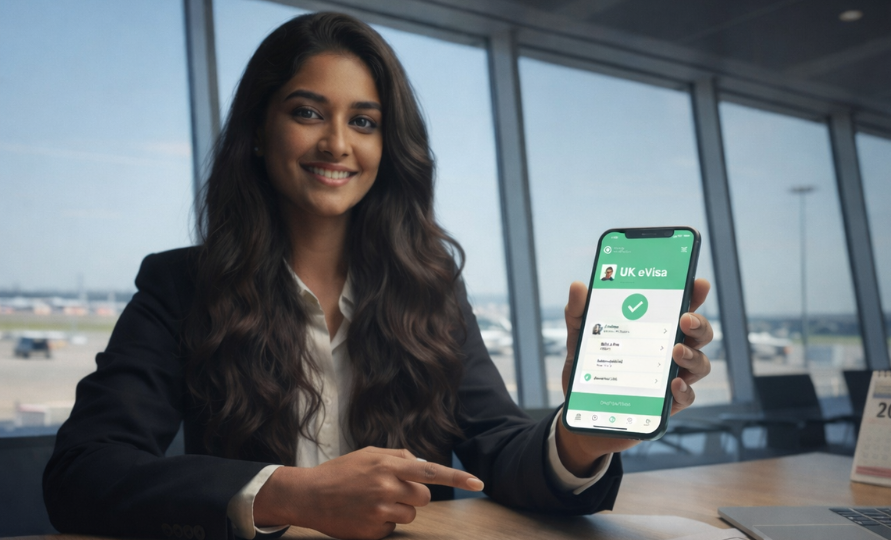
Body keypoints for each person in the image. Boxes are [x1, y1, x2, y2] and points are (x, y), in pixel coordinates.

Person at [42, 12, 714, 540]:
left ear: (387, 147)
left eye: (363, 122)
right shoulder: (179, 287)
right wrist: (290, 494)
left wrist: (581, 438)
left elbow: (496, 451)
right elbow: (83, 474)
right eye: (308, 112)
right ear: (257, 130)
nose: (338, 144)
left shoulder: (431, 290)